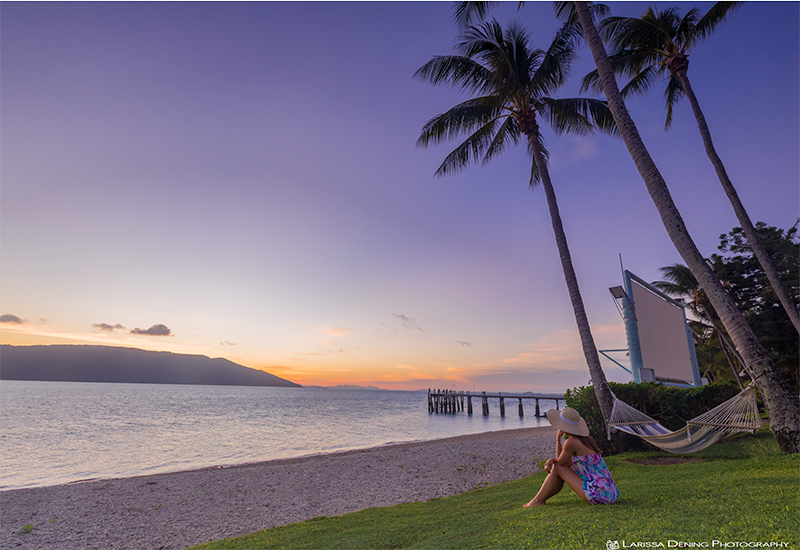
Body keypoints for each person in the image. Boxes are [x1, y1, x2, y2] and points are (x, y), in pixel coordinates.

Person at [523, 406, 618, 507]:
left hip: (598, 493)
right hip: (610, 491)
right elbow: (567, 463)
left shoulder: (571, 442)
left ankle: (538, 500)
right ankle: (538, 500)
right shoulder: (587, 441)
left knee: (556, 466)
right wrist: (557, 452)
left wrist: (558, 440)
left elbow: (560, 463)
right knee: (557, 466)